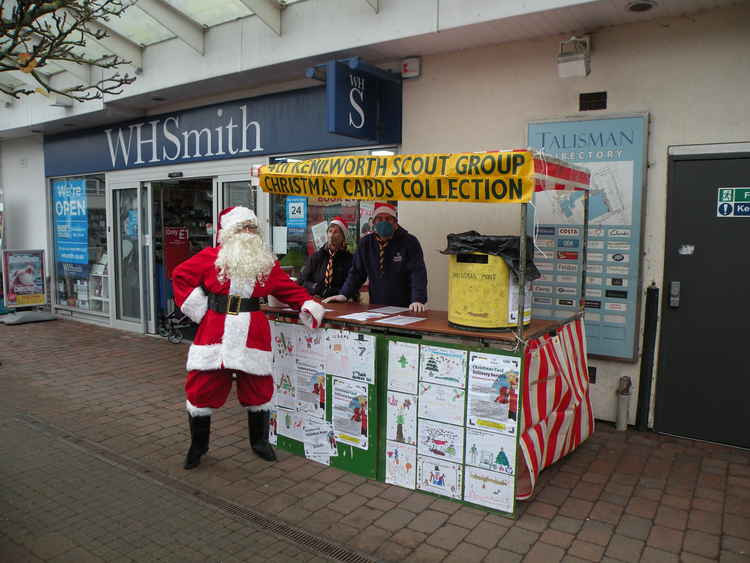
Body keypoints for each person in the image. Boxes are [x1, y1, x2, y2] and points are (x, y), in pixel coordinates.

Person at [172, 206, 324, 469]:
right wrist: (199, 309)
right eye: (244, 227)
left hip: (252, 331)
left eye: (253, 228)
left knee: (259, 388)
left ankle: (260, 443)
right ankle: (198, 446)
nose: (249, 233)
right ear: (230, 233)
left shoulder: (265, 264)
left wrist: (308, 305)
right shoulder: (210, 257)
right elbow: (180, 276)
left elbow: (289, 289)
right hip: (215, 331)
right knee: (201, 387)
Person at [324, 202, 427, 311]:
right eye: (380, 219)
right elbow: (356, 273)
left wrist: (417, 299)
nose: (384, 222)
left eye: (388, 219)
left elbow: (417, 273)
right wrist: (344, 294)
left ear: (395, 222)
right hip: (376, 307)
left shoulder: (410, 242)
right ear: (373, 223)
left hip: (406, 307)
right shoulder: (366, 243)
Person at [298, 216, 353, 299]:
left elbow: (351, 284)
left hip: (339, 302)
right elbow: (302, 281)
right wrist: (315, 288)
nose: (331, 235)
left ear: (343, 237)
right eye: (330, 231)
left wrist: (334, 293)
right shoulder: (317, 257)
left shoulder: (349, 259)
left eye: (336, 232)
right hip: (316, 301)